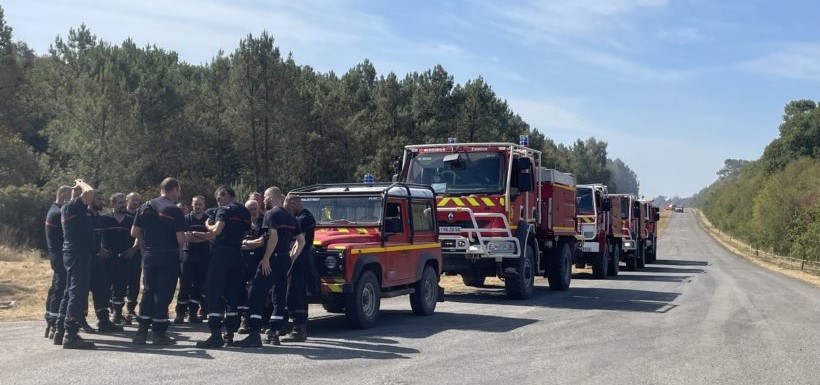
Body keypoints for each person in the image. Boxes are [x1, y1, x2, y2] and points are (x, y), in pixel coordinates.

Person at [235, 187, 305, 348]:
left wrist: (266, 258)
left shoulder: (271, 214)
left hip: (272, 260)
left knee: (256, 294)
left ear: (272, 197)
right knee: (279, 298)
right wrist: (291, 259)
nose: (264, 200)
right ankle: (274, 334)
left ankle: (254, 335)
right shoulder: (291, 217)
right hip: (284, 260)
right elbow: (301, 241)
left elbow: (273, 236)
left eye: (265, 196)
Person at [130, 177, 187, 345]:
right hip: (168, 256)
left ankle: (141, 332)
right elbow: (180, 238)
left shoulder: (144, 207)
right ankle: (159, 332)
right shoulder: (174, 210)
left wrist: (149, 237)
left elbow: (133, 232)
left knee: (148, 291)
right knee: (163, 293)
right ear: (174, 190)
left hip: (148, 255)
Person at [195, 186, 251, 349]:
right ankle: (230, 334)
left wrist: (207, 224)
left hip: (221, 256)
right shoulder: (244, 212)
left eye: (219, 198)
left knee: (215, 293)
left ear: (227, 195)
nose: (218, 202)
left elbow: (217, 231)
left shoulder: (224, 210)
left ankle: (215, 335)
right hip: (237, 255)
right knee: (232, 296)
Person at [53, 179, 96, 349]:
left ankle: (60, 331)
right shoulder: (73, 207)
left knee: (68, 292)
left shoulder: (68, 207)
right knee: (77, 293)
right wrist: (81, 183)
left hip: (71, 254)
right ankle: (71, 335)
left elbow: (84, 196)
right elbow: (89, 193)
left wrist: (76, 190)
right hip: (78, 255)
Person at [88, 190, 124, 333]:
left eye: (102, 198)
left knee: (101, 291)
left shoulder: (97, 216)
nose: (101, 201)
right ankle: (79, 321)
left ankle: (104, 321)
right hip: (90, 259)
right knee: (84, 291)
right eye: (98, 199)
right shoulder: (86, 216)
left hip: (99, 262)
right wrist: (99, 249)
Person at [282, 194, 316, 342]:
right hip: (302, 258)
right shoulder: (306, 217)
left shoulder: (303, 219)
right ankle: (299, 328)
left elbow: (298, 242)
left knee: (294, 293)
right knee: (298, 293)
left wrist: (290, 262)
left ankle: (298, 329)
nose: (288, 211)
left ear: (293, 202)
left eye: (288, 207)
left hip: (299, 258)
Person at [103, 193, 138, 325]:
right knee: (105, 288)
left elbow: (139, 236)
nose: (123, 205)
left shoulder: (130, 220)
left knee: (121, 288)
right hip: (108, 259)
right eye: (120, 203)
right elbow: (96, 234)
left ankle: (117, 315)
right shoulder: (104, 218)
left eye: (124, 202)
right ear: (113, 204)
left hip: (125, 258)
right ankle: (105, 316)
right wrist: (100, 250)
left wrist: (134, 249)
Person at [174, 195, 210, 323]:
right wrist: (204, 236)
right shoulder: (186, 219)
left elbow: (212, 237)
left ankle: (193, 313)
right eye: (195, 204)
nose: (198, 207)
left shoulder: (209, 220)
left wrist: (195, 235)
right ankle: (180, 313)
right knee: (185, 285)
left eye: (200, 204)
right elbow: (186, 238)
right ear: (192, 205)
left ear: (204, 205)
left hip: (205, 256)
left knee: (199, 286)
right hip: (189, 255)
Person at [44, 185, 72, 339]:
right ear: (62, 194)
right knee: (60, 289)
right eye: (70, 194)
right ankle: (54, 322)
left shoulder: (53, 210)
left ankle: (50, 321)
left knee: (55, 288)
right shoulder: (57, 213)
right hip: (60, 256)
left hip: (56, 256)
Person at [237, 199, 265, 334]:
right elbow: (236, 243)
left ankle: (255, 321)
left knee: (255, 292)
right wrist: (250, 243)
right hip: (243, 261)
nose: (252, 212)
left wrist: (245, 242)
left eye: (254, 208)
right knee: (241, 291)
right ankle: (242, 320)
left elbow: (262, 242)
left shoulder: (265, 222)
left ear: (259, 209)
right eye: (249, 209)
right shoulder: (241, 223)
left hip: (260, 262)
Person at [122, 192, 142, 325]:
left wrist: (135, 249)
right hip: (121, 253)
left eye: (138, 200)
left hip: (136, 253)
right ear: (127, 200)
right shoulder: (121, 215)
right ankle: (116, 311)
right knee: (119, 282)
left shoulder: (140, 215)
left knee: (134, 283)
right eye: (133, 200)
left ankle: (130, 310)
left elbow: (142, 234)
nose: (136, 202)